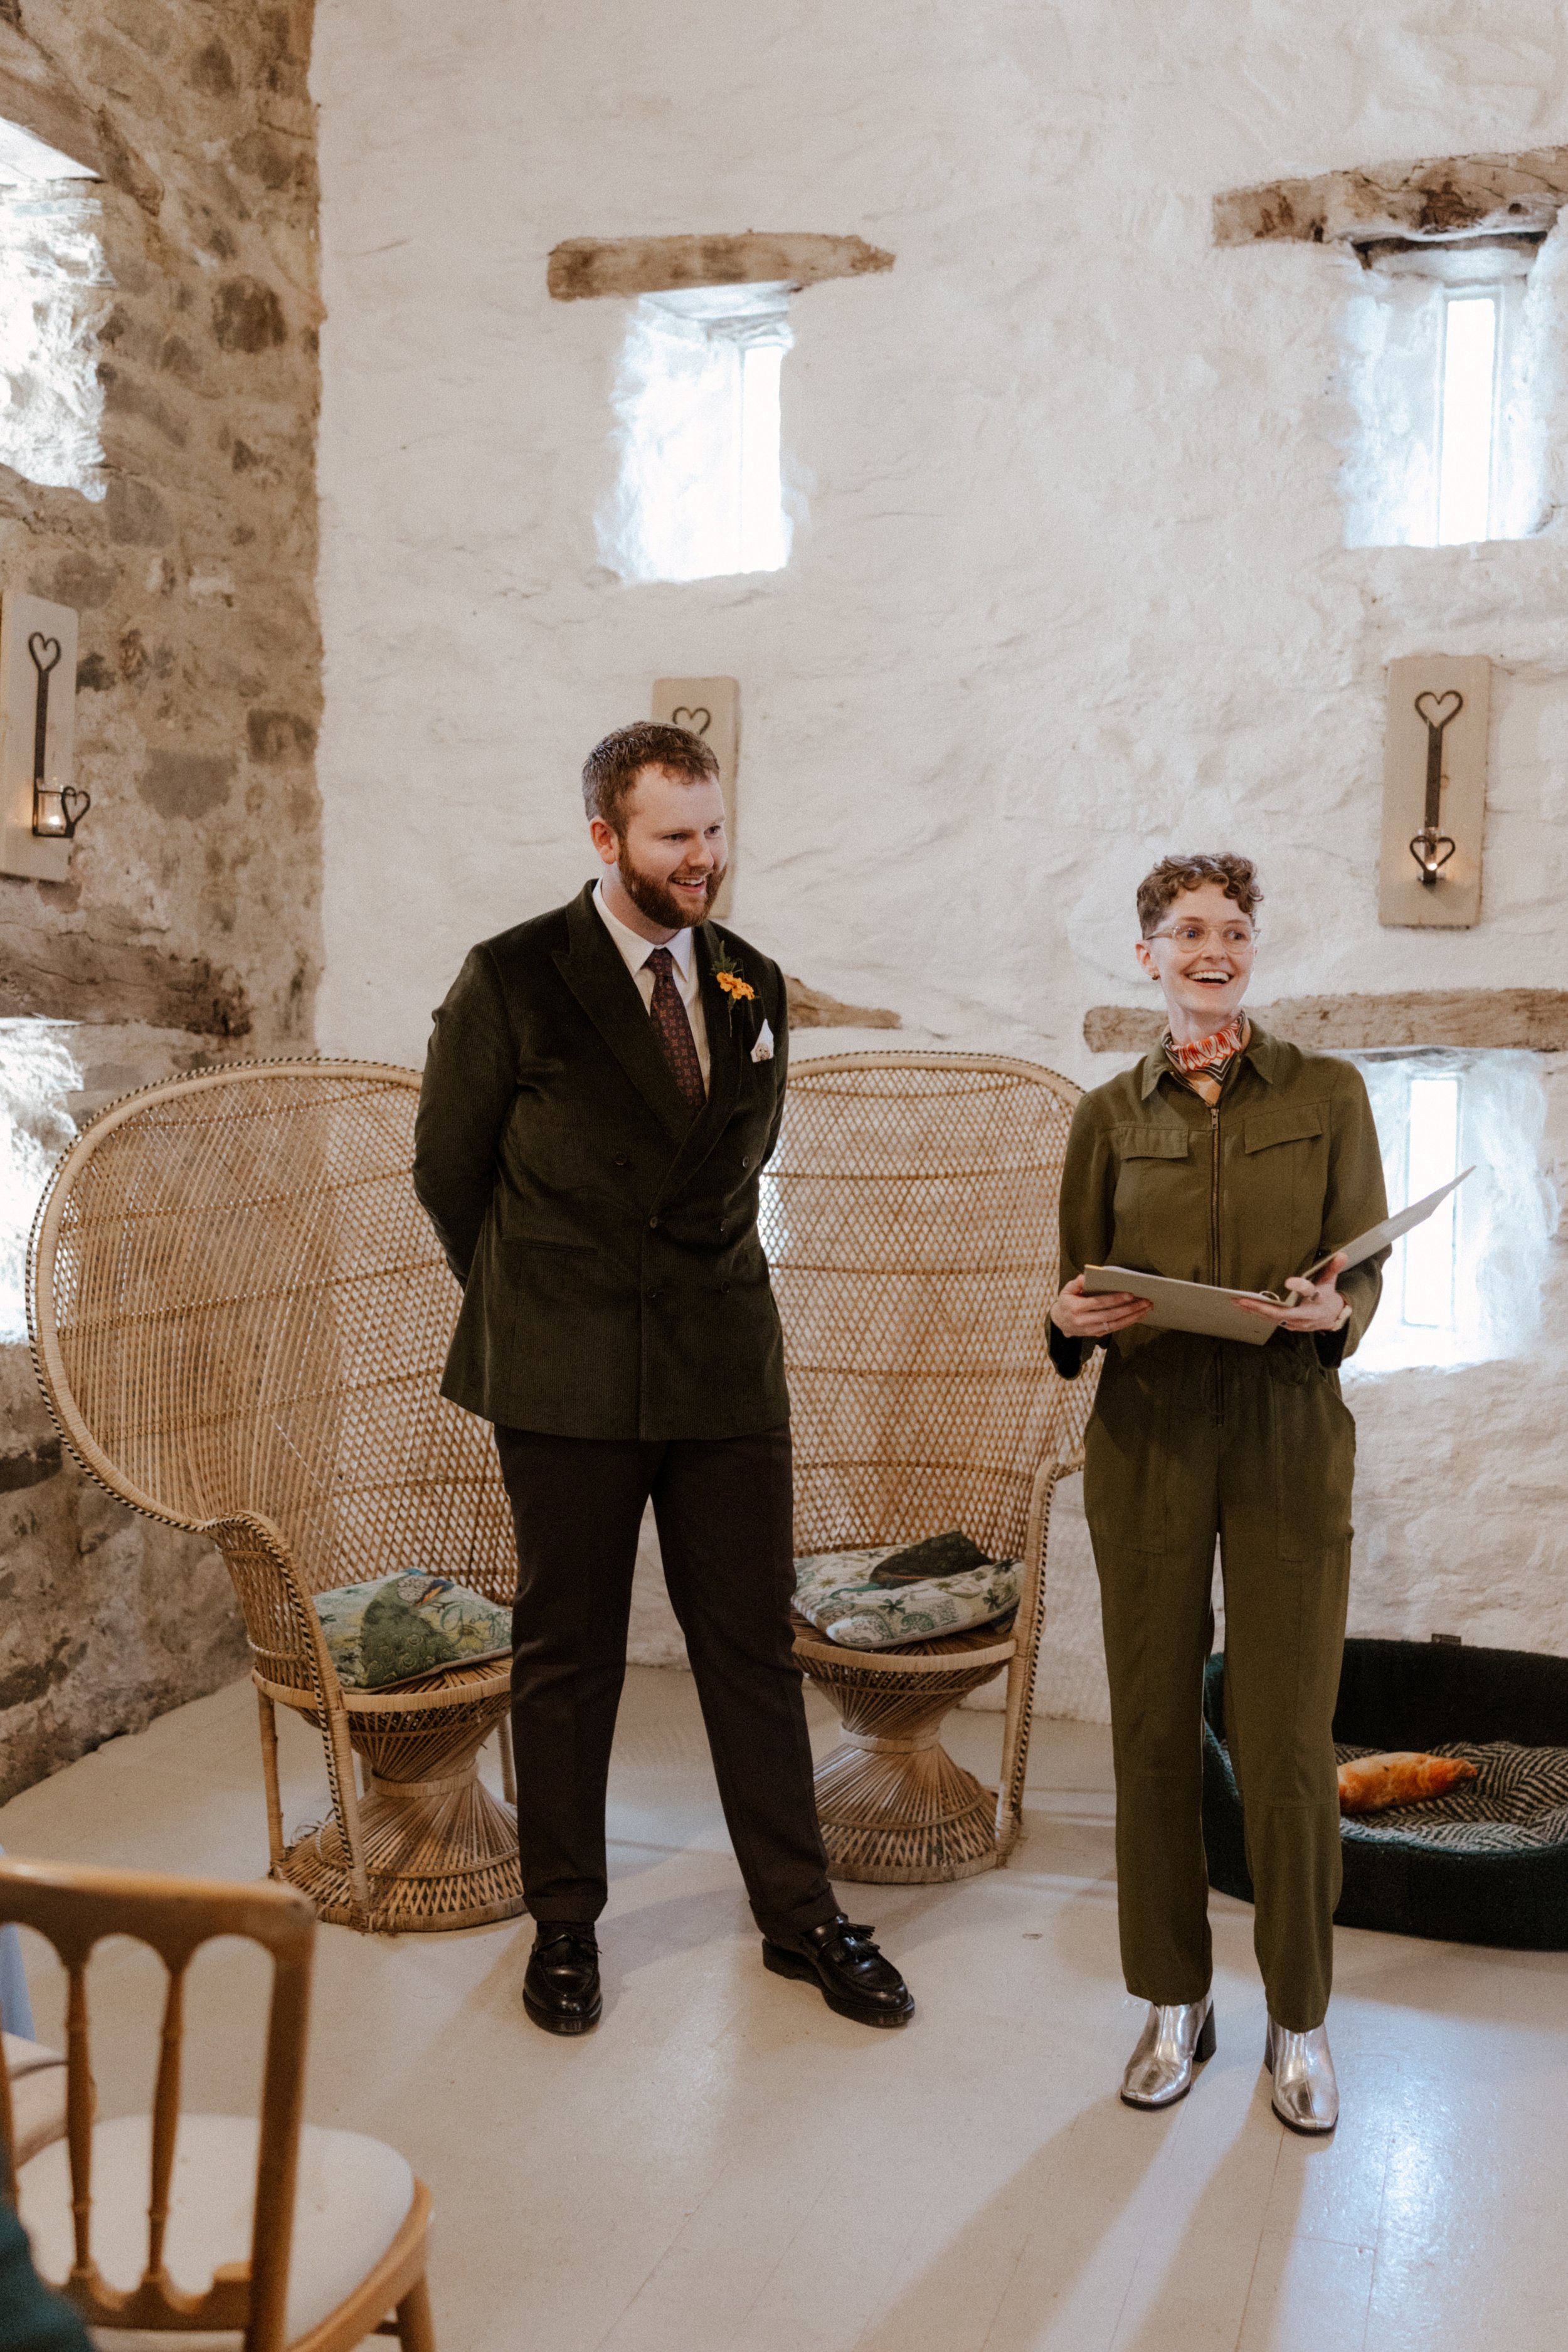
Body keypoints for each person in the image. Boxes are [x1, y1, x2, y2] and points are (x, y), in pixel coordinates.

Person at [413, 722, 913, 2037]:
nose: (704, 860)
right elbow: (447, 1176)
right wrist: (540, 1305)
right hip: (563, 1373)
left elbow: (739, 1163)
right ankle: (566, 1925)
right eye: (674, 837)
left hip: (721, 1364)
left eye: (713, 831)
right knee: (565, 1654)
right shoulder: (512, 978)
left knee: (749, 1647)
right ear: (605, 839)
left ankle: (799, 1916)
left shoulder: (750, 981)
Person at [1049, 853, 1387, 2134]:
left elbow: (1357, 1264)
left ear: (1251, 951)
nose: (1212, 947)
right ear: (1147, 955)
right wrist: (1065, 1317)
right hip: (1143, 1435)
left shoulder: (1326, 1093)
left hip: (1286, 1428)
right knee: (1147, 1724)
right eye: (1186, 929)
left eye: (1232, 929)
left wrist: (1325, 1309)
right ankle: (1170, 2000)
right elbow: (1071, 1292)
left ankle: (1296, 2017)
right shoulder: (1104, 1114)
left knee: (1288, 1730)